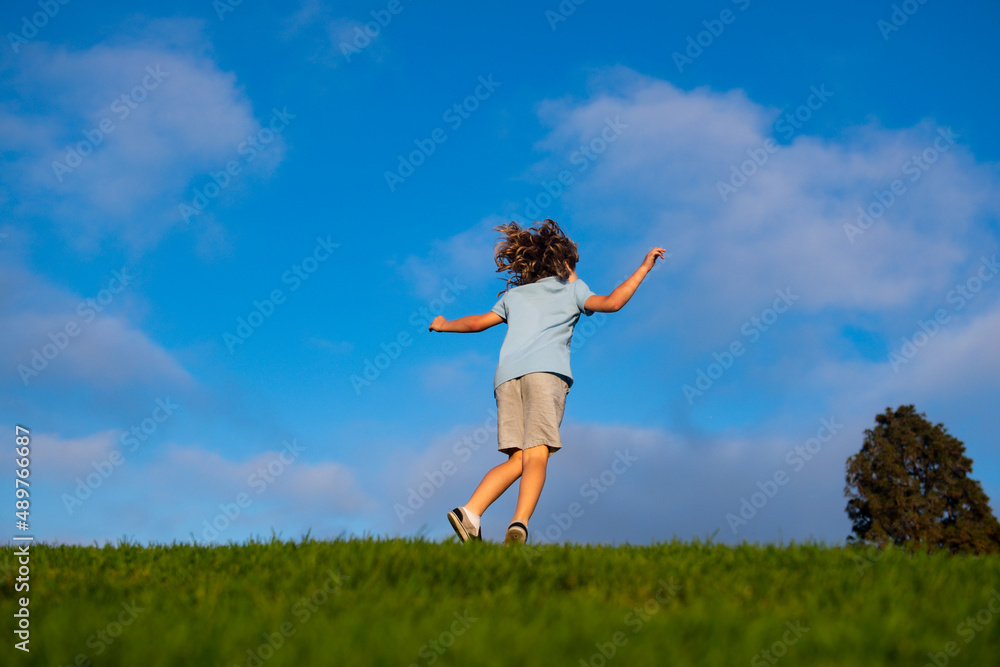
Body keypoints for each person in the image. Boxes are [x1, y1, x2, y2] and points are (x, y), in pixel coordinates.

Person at [428, 218, 666, 545]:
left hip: (507, 380)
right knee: (538, 455)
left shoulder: (516, 296)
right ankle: (519, 523)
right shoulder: (572, 289)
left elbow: (477, 324)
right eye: (576, 266)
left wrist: (443, 324)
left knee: (518, 459)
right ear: (566, 264)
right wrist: (643, 268)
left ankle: (469, 512)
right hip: (545, 375)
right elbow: (612, 302)